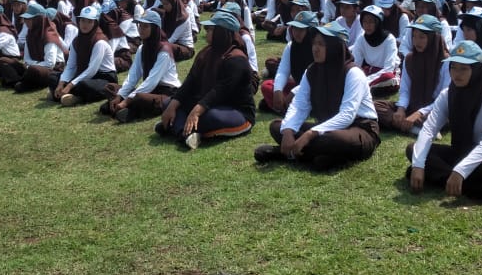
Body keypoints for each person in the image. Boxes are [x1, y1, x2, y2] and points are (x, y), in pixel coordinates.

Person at [254, 22, 381, 170]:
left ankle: (285, 154)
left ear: (334, 47)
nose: (315, 48)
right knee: (277, 126)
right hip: (325, 128)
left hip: (359, 129)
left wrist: (310, 134)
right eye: (314, 43)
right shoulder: (312, 71)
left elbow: (347, 115)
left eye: (321, 44)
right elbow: (299, 105)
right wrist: (288, 131)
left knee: (335, 139)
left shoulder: (353, 73)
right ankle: (323, 156)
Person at [406, 40, 482, 203]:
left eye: (464, 69)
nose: (457, 74)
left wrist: (460, 171)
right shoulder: (447, 94)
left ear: (478, 71)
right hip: (461, 152)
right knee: (413, 149)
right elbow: (429, 130)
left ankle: (446, 177)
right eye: (453, 68)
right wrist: (419, 165)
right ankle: (472, 187)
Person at [157, 10, 256, 150]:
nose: (206, 32)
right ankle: (184, 133)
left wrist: (196, 110)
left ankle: (175, 127)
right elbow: (190, 81)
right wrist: (172, 106)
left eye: (210, 29)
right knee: (169, 103)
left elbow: (220, 91)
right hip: (208, 103)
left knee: (208, 116)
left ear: (222, 32)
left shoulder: (237, 59)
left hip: (236, 111)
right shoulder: (206, 53)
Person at [101, 10, 181, 123]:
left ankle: (130, 109)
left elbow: (151, 81)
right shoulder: (142, 48)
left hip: (166, 92)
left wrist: (126, 101)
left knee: (140, 98)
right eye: (140, 25)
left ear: (154, 28)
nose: (141, 29)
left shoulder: (165, 51)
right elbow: (133, 76)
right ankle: (126, 107)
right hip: (148, 90)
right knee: (109, 88)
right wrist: (120, 96)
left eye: (145, 26)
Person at [375, 15, 449, 135]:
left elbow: (444, 98)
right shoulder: (410, 59)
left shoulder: (447, 62)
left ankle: (410, 125)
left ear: (433, 39)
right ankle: (413, 128)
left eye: (422, 37)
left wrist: (419, 113)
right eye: (414, 36)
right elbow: (405, 90)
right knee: (375, 106)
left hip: (434, 109)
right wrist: (401, 109)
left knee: (443, 115)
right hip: (412, 106)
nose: (416, 41)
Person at [50, 5, 117, 106]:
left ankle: (76, 97)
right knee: (53, 77)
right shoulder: (76, 41)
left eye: (89, 21)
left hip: (103, 77)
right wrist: (61, 82)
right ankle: (66, 93)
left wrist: (70, 85)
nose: (85, 24)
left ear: (95, 24)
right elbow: (71, 66)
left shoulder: (100, 42)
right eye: (83, 21)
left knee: (84, 85)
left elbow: (92, 70)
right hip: (82, 74)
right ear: (79, 21)